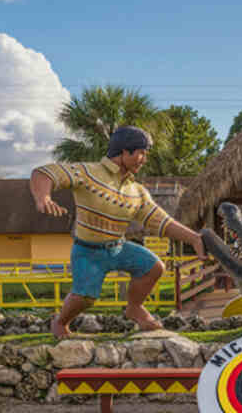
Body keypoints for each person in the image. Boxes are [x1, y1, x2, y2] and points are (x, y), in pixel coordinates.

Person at [30, 125, 205, 337]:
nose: (144, 159)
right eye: (141, 153)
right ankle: (60, 323)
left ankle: (134, 308)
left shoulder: (137, 191)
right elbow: (44, 173)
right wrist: (44, 197)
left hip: (119, 248)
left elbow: (162, 222)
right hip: (88, 252)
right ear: (124, 151)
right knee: (85, 297)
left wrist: (194, 238)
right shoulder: (87, 172)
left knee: (153, 267)